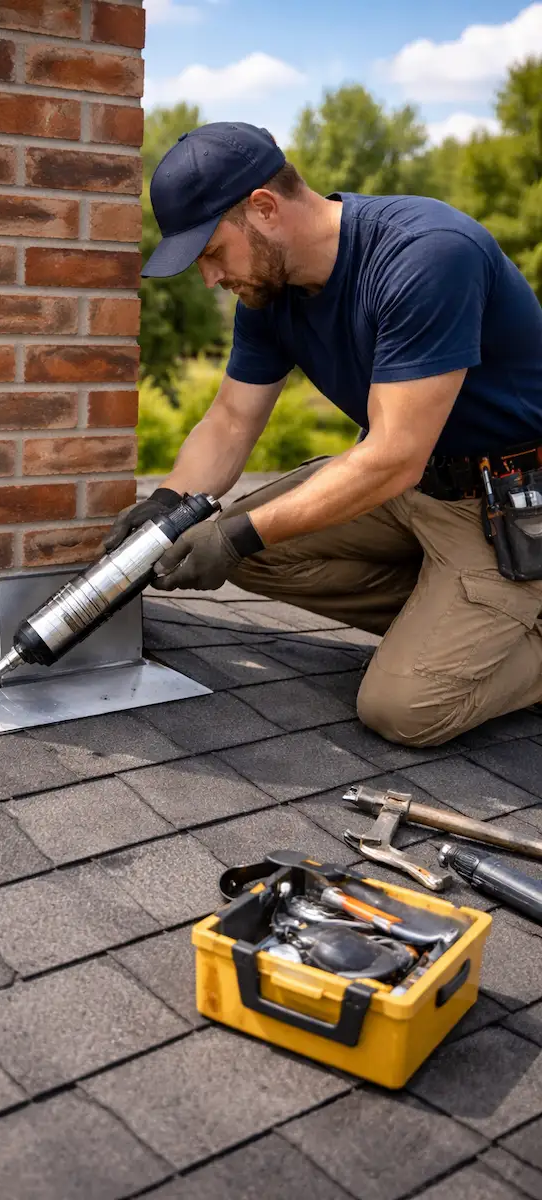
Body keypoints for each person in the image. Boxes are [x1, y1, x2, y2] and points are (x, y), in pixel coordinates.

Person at [105, 121, 542, 747]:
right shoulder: (268, 293)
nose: (209, 278)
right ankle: (455, 621)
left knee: (404, 709)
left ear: (264, 208)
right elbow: (231, 420)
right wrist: (166, 507)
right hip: (412, 490)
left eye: (211, 252)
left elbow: (392, 456)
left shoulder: (427, 255)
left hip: (508, 507)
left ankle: (499, 627)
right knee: (234, 548)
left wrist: (234, 535)